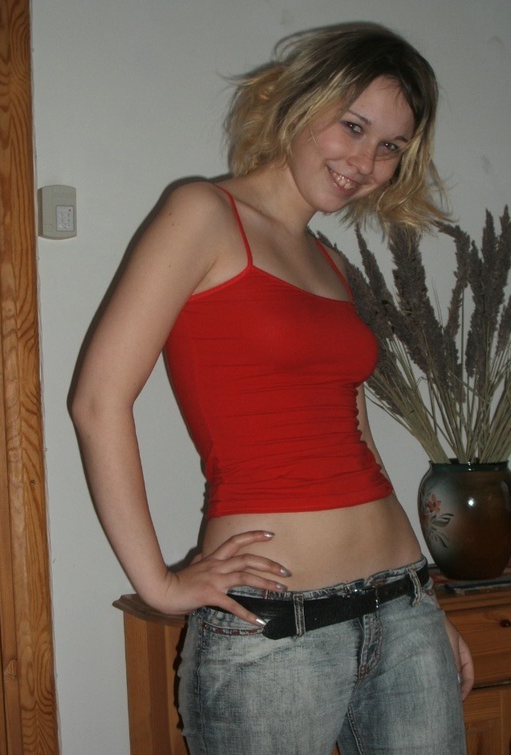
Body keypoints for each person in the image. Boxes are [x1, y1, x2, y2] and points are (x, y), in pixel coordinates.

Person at [71, 21, 474, 754]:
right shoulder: (203, 213)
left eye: (391, 147)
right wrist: (159, 584)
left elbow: (355, 437)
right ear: (301, 103)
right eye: (353, 126)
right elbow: (97, 401)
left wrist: (424, 605)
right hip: (276, 629)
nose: (366, 163)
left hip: (403, 607)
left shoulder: (329, 262)